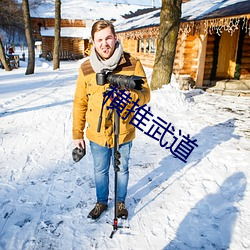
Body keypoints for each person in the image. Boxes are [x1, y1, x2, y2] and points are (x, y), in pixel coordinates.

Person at [72, 20, 150, 220]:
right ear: (93, 42)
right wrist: (77, 134)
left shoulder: (132, 63)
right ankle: (101, 202)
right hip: (97, 133)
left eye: (108, 38)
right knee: (100, 170)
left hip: (123, 130)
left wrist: (129, 96)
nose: (104, 43)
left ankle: (121, 202)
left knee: (122, 168)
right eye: (100, 40)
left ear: (115, 38)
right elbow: (80, 102)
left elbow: (145, 94)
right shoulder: (86, 68)